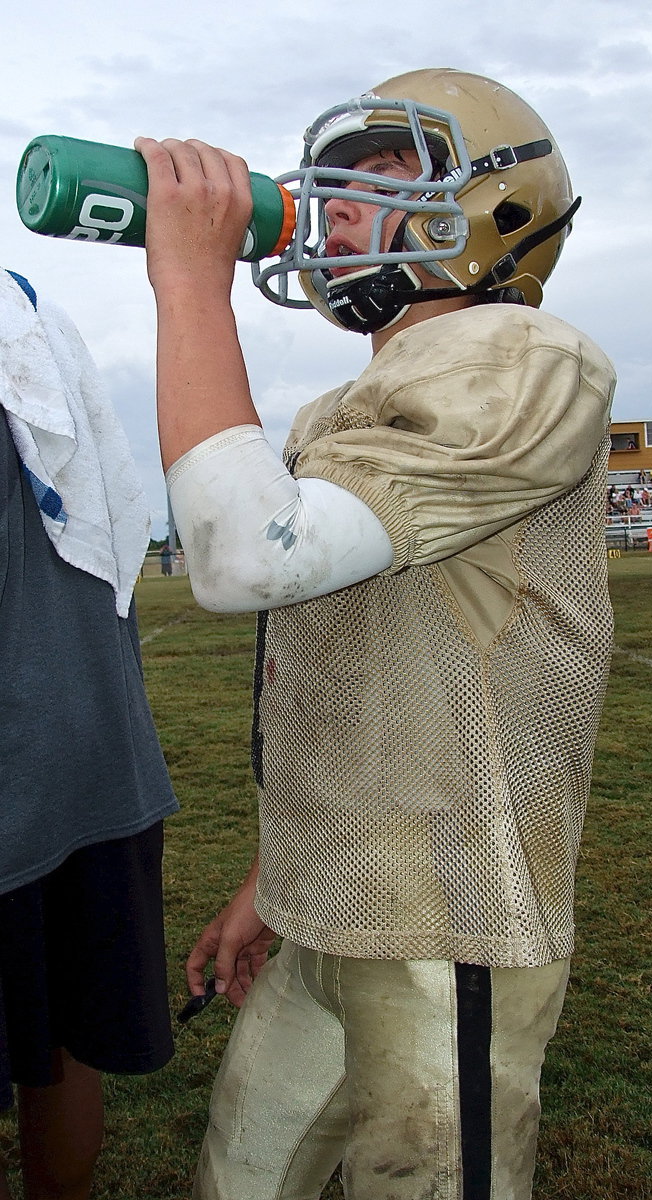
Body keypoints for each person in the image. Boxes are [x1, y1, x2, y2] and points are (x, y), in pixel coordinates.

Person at [136, 67, 616, 1200]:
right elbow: (348, 668)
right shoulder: (344, 405)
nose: (333, 203)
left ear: (497, 209)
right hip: (334, 900)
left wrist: (189, 283)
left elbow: (251, 557)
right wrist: (279, 875)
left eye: (379, 177)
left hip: (451, 914)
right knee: (240, 1178)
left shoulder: (524, 356)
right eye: (334, 178)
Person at [0, 269, 178, 1200]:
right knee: (70, 1043)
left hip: (35, 768)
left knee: (64, 1043)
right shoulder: (36, 324)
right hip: (96, 760)